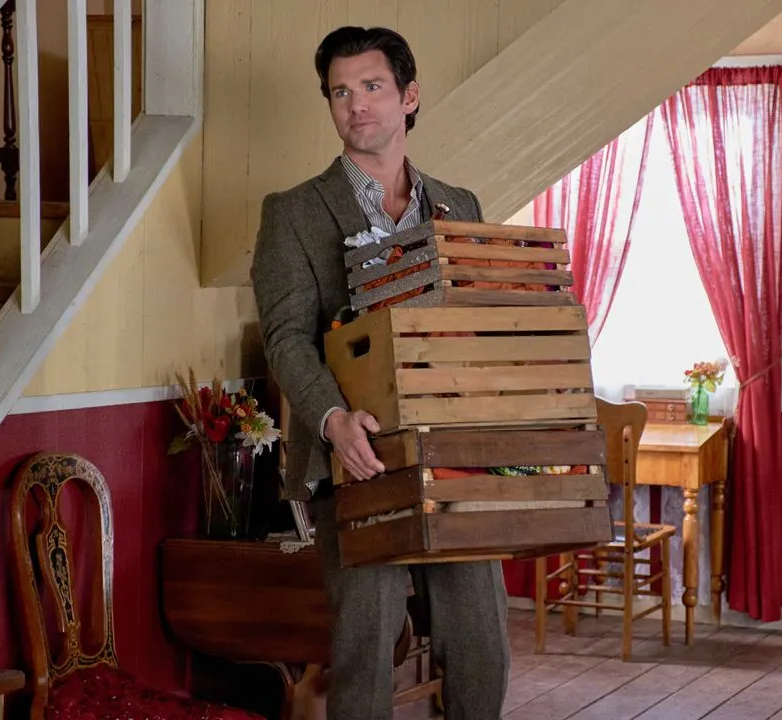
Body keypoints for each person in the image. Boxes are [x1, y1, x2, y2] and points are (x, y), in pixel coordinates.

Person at [250, 25, 511, 720]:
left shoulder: (461, 204)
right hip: (356, 462)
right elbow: (285, 337)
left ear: (409, 96)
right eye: (340, 92)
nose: (356, 104)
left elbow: (476, 322)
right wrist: (334, 420)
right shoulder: (292, 213)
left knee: (482, 644)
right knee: (365, 651)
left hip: (452, 458)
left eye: (371, 86)